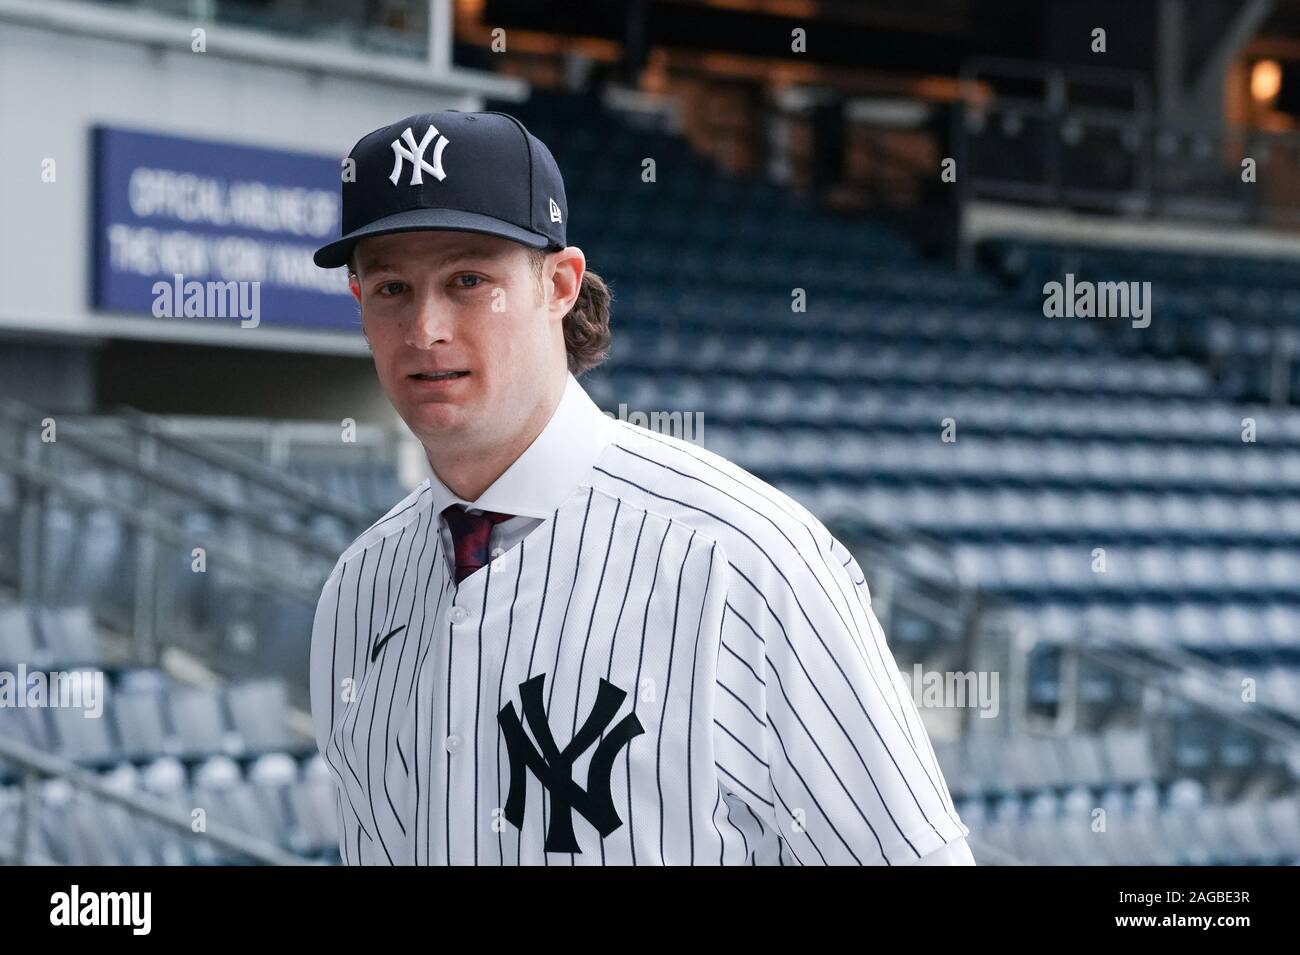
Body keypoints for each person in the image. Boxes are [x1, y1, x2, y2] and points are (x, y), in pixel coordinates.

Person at [308, 109, 973, 865]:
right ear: (360, 307)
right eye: (393, 287)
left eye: (469, 280)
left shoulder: (747, 561)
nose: (425, 328)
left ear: (559, 285)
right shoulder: (359, 587)